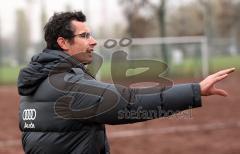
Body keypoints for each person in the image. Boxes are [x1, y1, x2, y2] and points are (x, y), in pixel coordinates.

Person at [17, 11, 235, 154]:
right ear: (63, 42)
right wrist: (195, 91)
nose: (93, 41)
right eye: (84, 36)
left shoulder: (33, 84)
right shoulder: (67, 85)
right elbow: (128, 103)